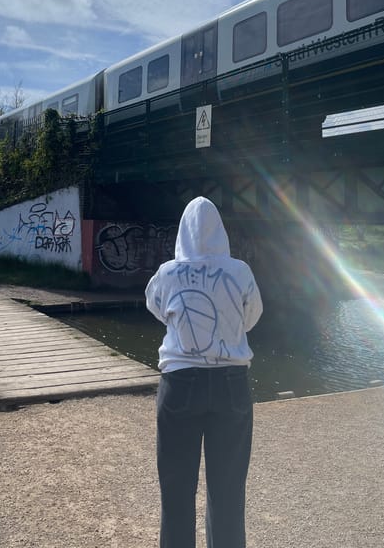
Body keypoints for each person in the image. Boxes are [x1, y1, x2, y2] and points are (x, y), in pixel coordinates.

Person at [145, 196, 263, 548]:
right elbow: (252, 317)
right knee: (228, 491)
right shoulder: (240, 270)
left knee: (176, 489)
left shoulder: (167, 273)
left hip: (180, 383)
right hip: (232, 384)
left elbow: (156, 308)